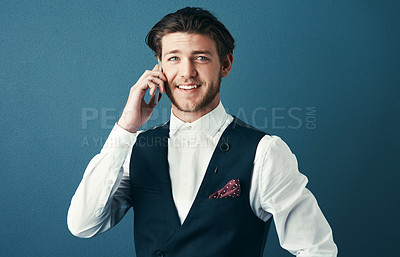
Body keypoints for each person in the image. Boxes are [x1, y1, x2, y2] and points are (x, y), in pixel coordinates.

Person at [67, 7, 338, 257]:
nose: (187, 72)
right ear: (159, 67)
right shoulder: (135, 147)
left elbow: (317, 249)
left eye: (201, 57)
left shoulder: (264, 152)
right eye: (174, 58)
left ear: (226, 64)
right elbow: (83, 225)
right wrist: (125, 129)